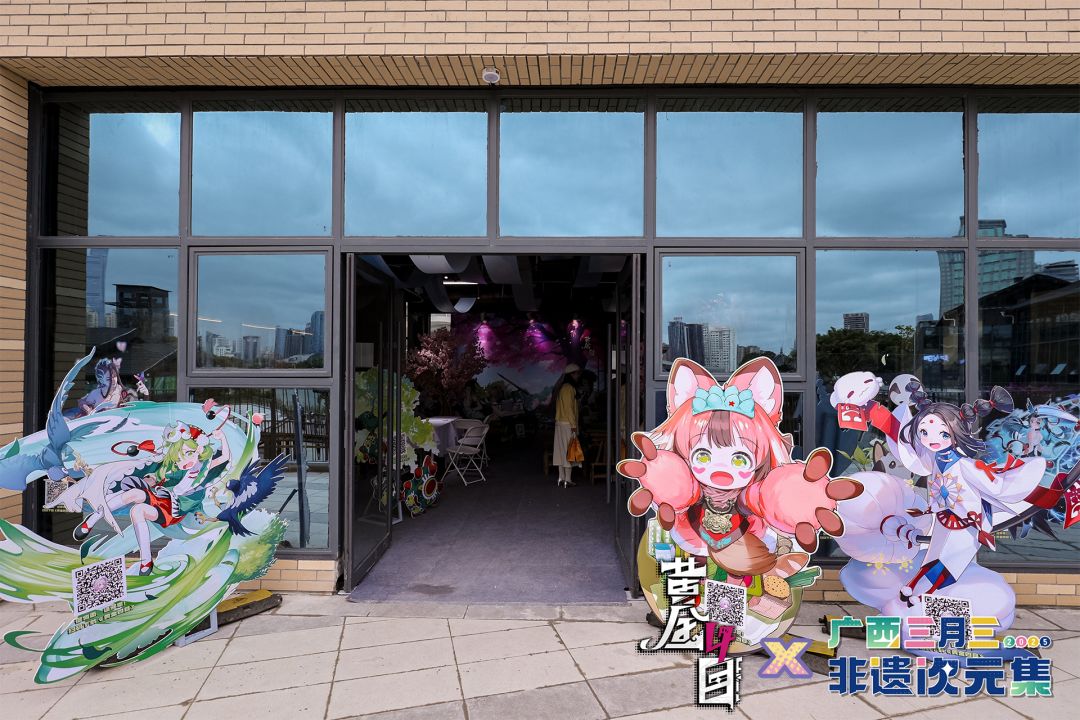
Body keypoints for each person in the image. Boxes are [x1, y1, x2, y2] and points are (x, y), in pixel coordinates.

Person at [553, 363, 582, 487]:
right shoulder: (569, 388)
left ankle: (561, 477)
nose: (578, 376)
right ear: (572, 374)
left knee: (560, 451)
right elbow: (570, 409)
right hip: (567, 424)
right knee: (569, 451)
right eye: (576, 373)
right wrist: (574, 425)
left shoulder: (561, 388)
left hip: (560, 423)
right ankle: (568, 479)